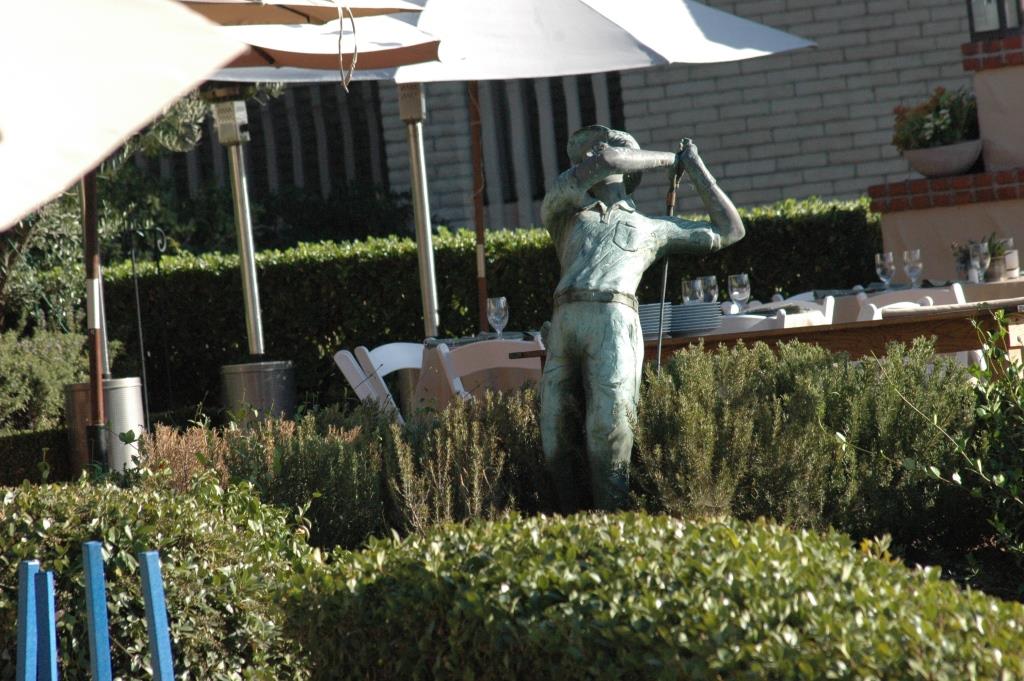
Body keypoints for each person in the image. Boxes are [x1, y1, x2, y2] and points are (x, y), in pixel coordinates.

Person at [539, 125, 745, 512]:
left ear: (631, 168)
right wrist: (670, 159)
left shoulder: (652, 227)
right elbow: (607, 161)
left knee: (609, 428)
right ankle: (567, 523)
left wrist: (695, 167)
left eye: (601, 145)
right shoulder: (563, 212)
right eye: (586, 152)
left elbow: (731, 230)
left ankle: (614, 521)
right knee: (553, 433)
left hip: (614, 323)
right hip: (565, 319)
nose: (592, 155)